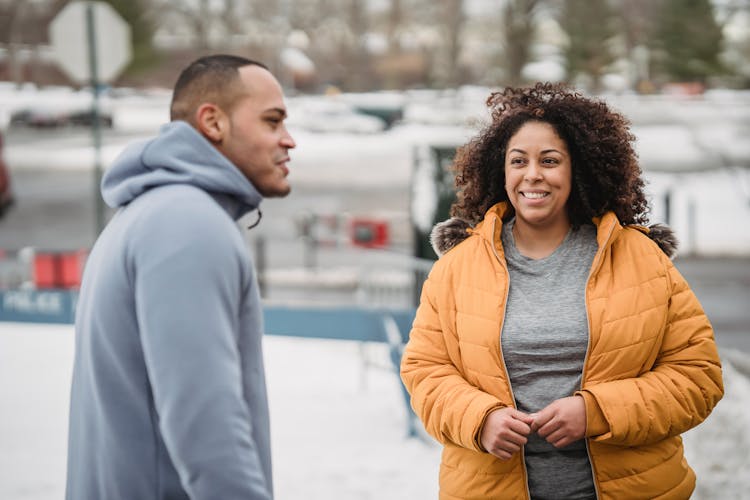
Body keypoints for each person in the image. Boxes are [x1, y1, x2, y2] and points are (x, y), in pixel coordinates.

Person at [400, 82, 724, 500]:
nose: (532, 174)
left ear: (580, 169)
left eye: (549, 161)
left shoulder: (643, 259)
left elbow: (697, 376)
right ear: (502, 170)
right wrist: (479, 419)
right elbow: (425, 371)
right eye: (518, 161)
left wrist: (598, 412)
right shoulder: (458, 267)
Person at [66, 54, 296, 500]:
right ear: (213, 122)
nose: (289, 141)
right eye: (272, 121)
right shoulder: (188, 224)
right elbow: (205, 422)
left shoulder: (146, 213)